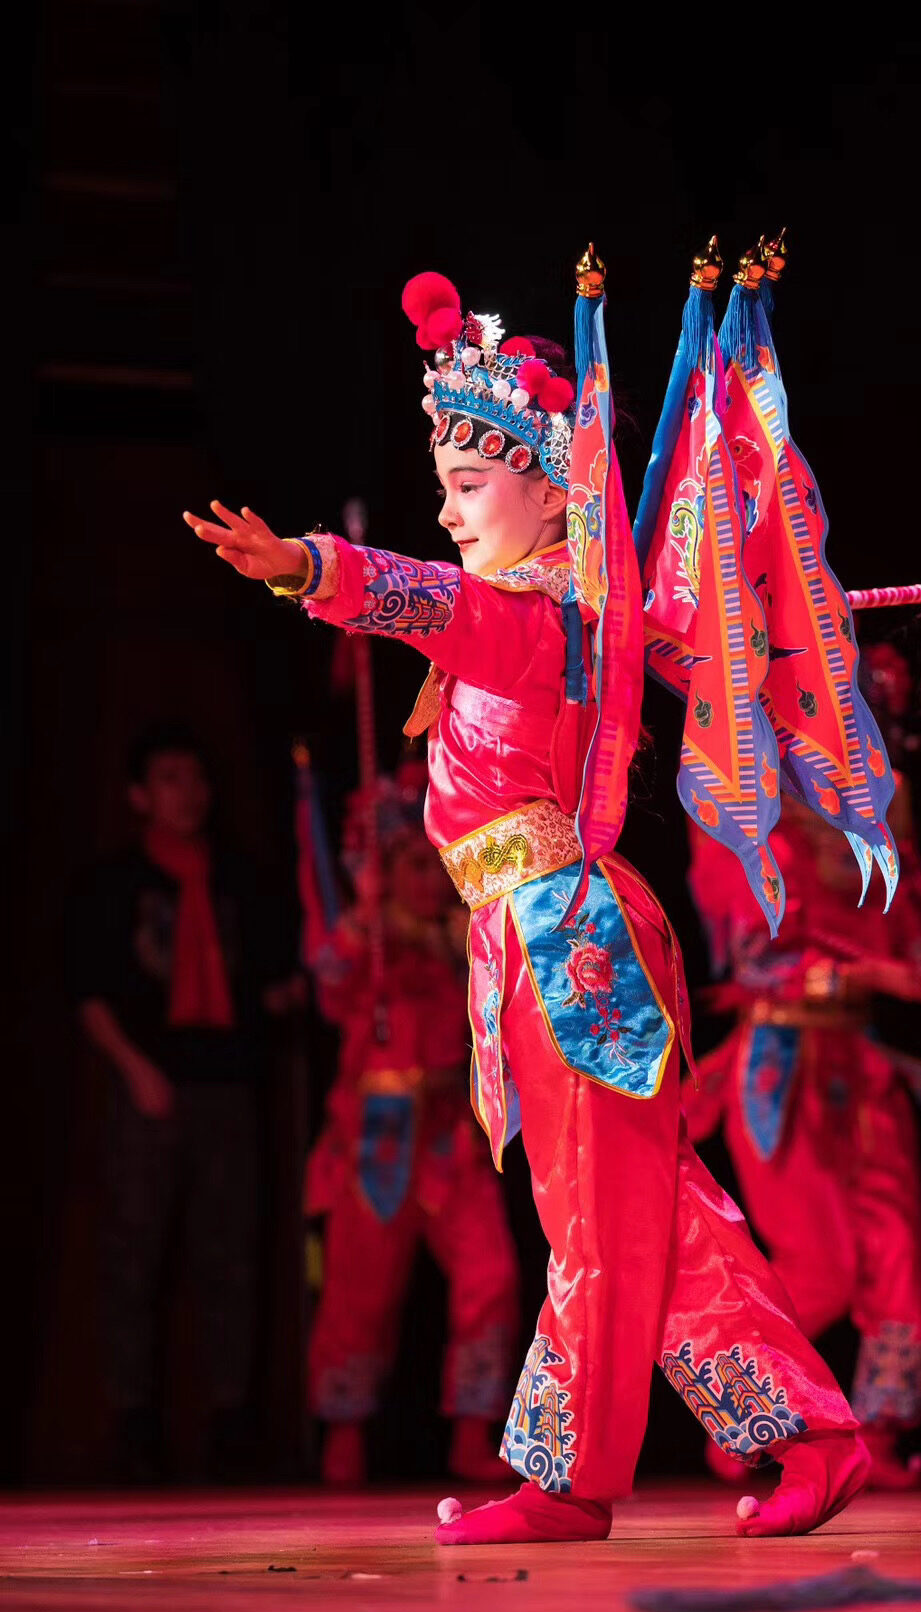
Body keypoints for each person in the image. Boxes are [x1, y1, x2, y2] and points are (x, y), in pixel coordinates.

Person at [182, 257, 875, 1544]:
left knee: (610, 1215)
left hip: (571, 939)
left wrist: (311, 567)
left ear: (553, 490)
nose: (447, 511)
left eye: (468, 486)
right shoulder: (558, 612)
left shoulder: (551, 618)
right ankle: (743, 1447)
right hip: (536, 939)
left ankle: (602, 1475)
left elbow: (434, 604)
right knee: (633, 1210)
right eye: (442, 485)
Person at [683, 654, 921, 1488]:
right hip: (781, 1067)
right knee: (821, 1266)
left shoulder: (879, 827)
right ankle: (740, 1415)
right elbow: (751, 960)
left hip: (863, 1068)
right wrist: (869, 975)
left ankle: (880, 1432)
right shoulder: (748, 818)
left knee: (899, 1256)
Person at [69, 722, 299, 1481]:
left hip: (228, 1085)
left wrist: (294, 992)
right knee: (132, 1258)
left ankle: (234, 1422)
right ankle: (132, 1424)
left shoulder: (242, 877)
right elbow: (90, 994)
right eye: (169, 779)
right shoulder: (114, 883)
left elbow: (272, 978)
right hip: (149, 1088)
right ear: (139, 795)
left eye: (196, 778)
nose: (188, 793)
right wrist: (136, 1071)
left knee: (231, 1257)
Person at [297, 758, 518, 1486]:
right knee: (359, 1291)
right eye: (412, 867)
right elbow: (329, 987)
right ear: (384, 872)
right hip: (377, 1138)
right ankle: (344, 1433)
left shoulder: (466, 940)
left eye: (436, 866)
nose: (428, 882)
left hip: (451, 1132)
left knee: (491, 1274)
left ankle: (474, 1431)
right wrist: (363, 920)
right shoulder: (366, 941)